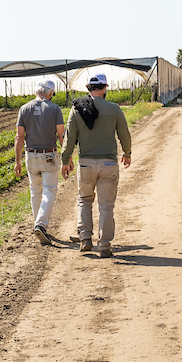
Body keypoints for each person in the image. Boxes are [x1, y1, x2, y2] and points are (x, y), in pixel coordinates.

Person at [61, 73, 132, 259]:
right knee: (106, 206)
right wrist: (127, 153)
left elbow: (69, 137)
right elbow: (124, 134)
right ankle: (105, 245)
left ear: (88, 88)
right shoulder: (114, 109)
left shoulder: (77, 108)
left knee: (84, 200)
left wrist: (65, 159)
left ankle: (85, 238)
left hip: (85, 164)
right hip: (108, 163)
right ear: (105, 87)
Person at [14, 79, 65, 245]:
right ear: (50, 93)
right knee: (49, 191)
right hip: (48, 155)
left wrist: (17, 161)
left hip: (30, 155)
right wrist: (67, 157)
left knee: (35, 191)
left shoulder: (24, 109)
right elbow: (61, 135)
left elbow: (19, 137)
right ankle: (41, 225)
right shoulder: (54, 109)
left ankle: (39, 226)